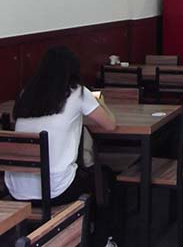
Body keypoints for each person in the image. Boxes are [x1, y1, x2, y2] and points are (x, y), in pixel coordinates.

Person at [6, 46, 117, 206]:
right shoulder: (78, 92)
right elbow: (110, 125)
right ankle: (96, 221)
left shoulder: (26, 93)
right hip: (56, 190)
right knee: (103, 177)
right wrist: (101, 103)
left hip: (17, 190)